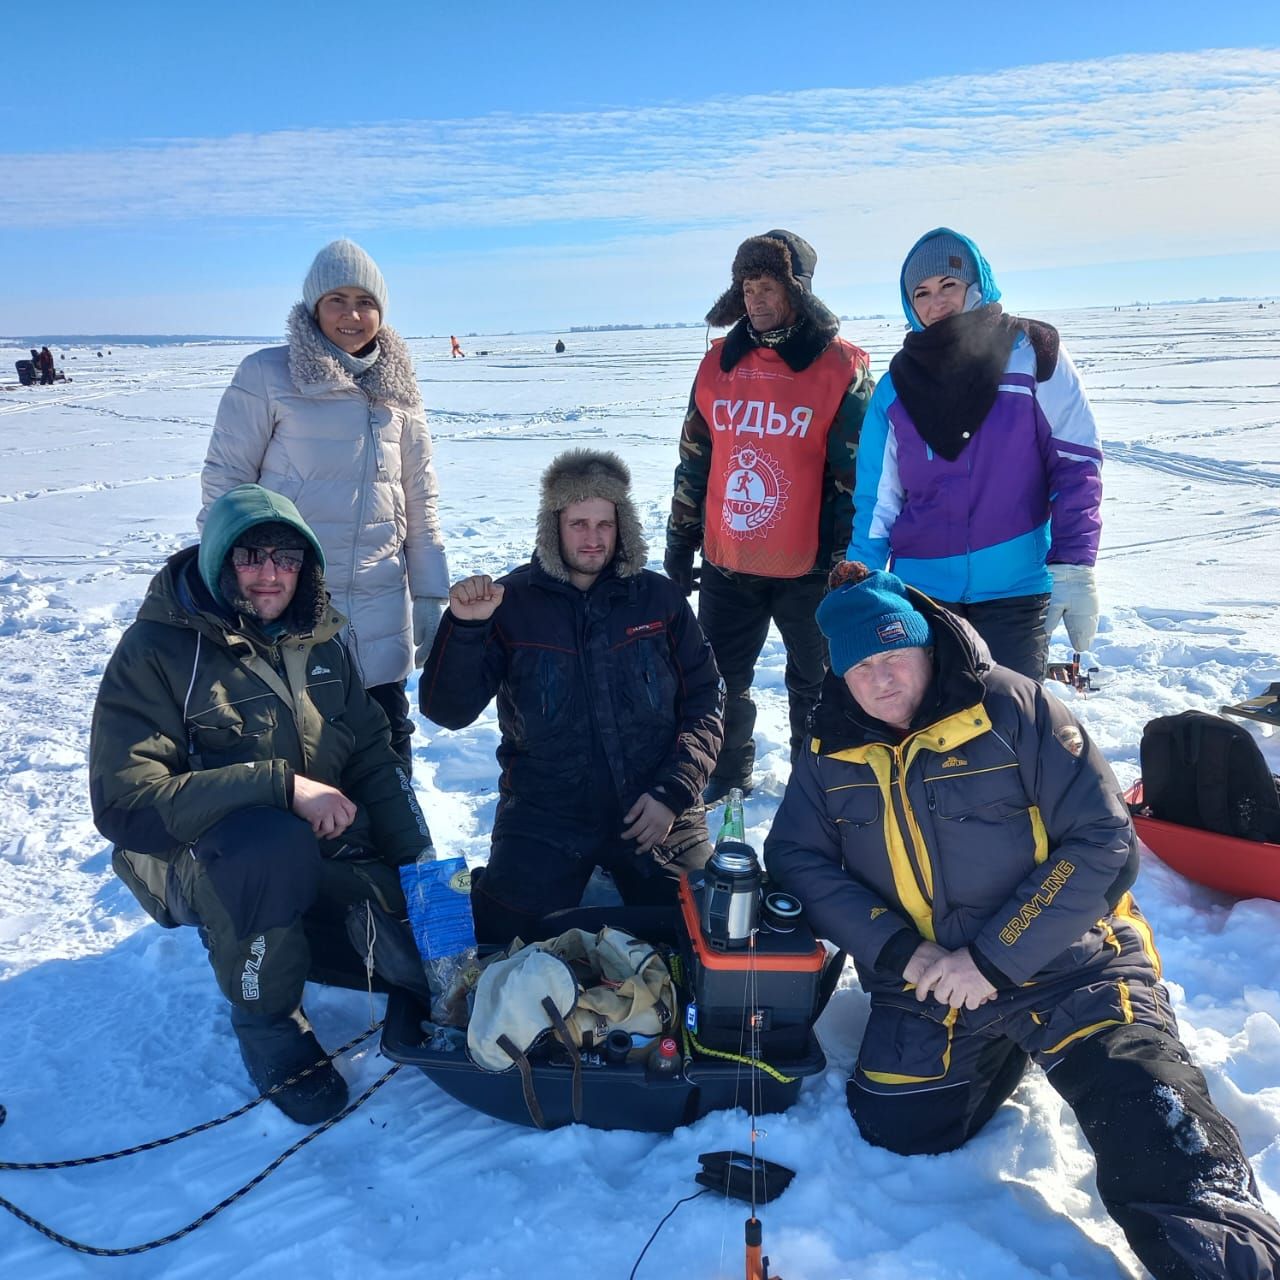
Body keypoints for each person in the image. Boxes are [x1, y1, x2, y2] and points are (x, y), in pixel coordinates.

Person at [764, 560, 1280, 1279]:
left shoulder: (1013, 708)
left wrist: (992, 960)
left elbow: (1104, 843)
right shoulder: (830, 747)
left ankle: (1234, 1258)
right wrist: (898, 951)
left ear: (925, 646)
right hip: (935, 980)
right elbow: (795, 857)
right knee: (900, 1127)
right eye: (862, 669)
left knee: (1145, 1115)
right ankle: (1010, 1041)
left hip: (1069, 959)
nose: (882, 680)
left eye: (894, 657)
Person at [89, 485, 436, 1125]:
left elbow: (370, 756)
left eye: (287, 557)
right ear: (222, 559)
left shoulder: (322, 638)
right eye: (251, 556)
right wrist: (280, 786)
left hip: (313, 842)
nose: (271, 573)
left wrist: (419, 863)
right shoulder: (158, 651)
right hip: (189, 855)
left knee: (425, 948)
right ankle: (266, 1019)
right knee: (269, 850)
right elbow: (125, 804)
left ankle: (297, 933)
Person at [421, 449, 723, 945]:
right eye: (579, 523)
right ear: (553, 526)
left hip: (655, 808)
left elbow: (706, 703)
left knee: (701, 930)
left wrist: (673, 792)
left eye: (605, 523)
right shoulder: (511, 601)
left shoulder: (659, 599)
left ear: (622, 525)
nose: (593, 537)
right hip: (547, 814)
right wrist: (466, 629)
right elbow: (446, 712)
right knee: (504, 936)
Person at [200, 239, 448, 773]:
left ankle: (397, 854)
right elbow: (227, 487)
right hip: (286, 598)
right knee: (294, 749)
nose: (352, 315)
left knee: (385, 743)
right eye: (337, 299)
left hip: (380, 604)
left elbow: (420, 493)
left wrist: (429, 592)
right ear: (313, 306)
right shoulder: (268, 375)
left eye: (365, 301)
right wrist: (226, 577)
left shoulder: (399, 389)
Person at [665, 229, 873, 803]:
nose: (756, 299)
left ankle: (818, 782)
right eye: (747, 287)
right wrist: (680, 543)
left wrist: (844, 560)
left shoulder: (839, 368)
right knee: (720, 683)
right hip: (729, 561)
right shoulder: (717, 365)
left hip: (811, 568)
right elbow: (694, 460)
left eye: (769, 287)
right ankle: (726, 777)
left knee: (819, 683)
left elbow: (857, 480)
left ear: (797, 290)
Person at [847, 227, 1102, 680]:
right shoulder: (895, 389)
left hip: (1017, 592)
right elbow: (878, 502)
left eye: (949, 285)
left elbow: (1076, 468)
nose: (936, 302)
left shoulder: (1033, 358)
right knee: (933, 732)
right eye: (921, 293)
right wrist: (862, 581)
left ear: (976, 286)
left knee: (1012, 731)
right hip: (922, 596)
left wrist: (1074, 566)